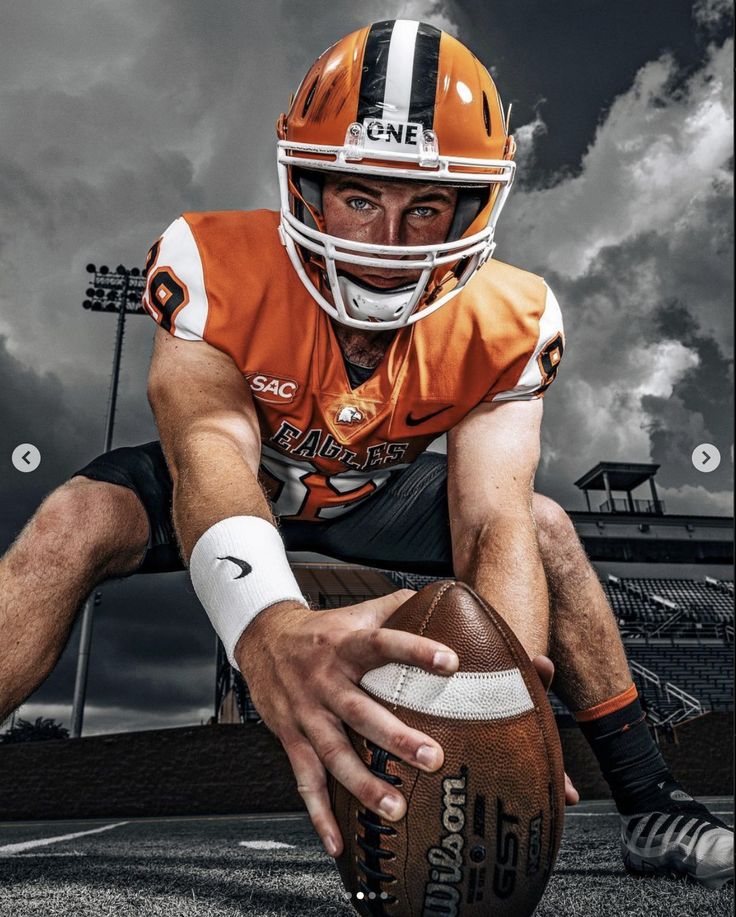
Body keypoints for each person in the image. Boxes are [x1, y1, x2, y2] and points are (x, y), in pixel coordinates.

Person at [0, 19, 731, 890]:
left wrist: (496, 704)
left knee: (542, 528)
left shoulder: (511, 317)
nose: (388, 242)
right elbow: (209, 450)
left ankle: (651, 802)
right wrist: (266, 623)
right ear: (306, 188)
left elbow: (491, 515)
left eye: (424, 206)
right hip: (251, 475)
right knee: (76, 519)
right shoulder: (214, 262)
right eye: (358, 197)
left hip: (376, 488)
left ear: (473, 206)